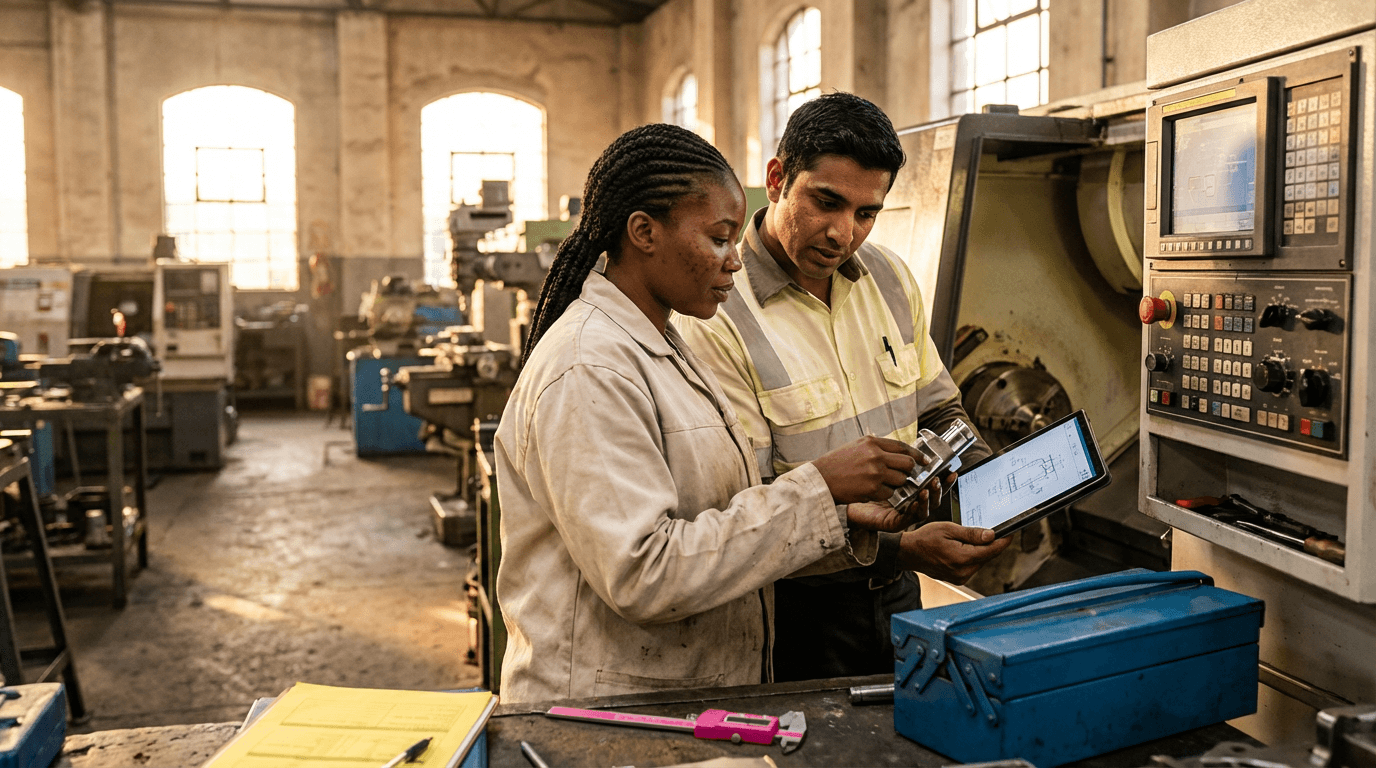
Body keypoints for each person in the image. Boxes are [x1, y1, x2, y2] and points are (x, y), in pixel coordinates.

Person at [494, 123, 947, 704]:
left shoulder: (657, 344)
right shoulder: (589, 367)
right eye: (718, 239)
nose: (736, 262)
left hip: (684, 693)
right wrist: (820, 487)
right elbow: (642, 572)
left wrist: (846, 519)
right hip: (611, 709)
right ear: (643, 233)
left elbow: (716, 515)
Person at [676, 93, 1011, 682]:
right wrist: (900, 545)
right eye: (826, 202)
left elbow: (940, 409)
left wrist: (983, 482)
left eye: (866, 213)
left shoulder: (887, 276)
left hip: (897, 594)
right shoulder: (717, 312)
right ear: (777, 179)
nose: (842, 233)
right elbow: (739, 504)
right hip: (793, 611)